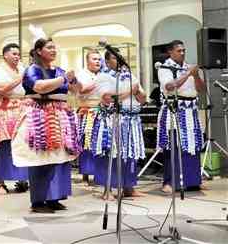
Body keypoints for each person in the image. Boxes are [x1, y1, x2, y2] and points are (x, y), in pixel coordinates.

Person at [11, 25, 81, 213]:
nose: (53, 50)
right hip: (39, 115)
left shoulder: (59, 70)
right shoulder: (31, 70)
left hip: (59, 114)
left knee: (58, 158)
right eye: (49, 47)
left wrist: (73, 81)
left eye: (54, 47)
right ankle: (38, 201)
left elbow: (76, 90)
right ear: (39, 51)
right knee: (40, 158)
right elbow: (39, 87)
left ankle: (53, 197)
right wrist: (63, 80)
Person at [93, 49, 146, 198]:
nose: (120, 60)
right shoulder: (103, 76)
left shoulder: (130, 75)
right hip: (112, 120)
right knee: (110, 154)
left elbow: (143, 98)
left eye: (121, 57)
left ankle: (129, 187)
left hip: (131, 120)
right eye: (116, 58)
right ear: (108, 62)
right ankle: (107, 190)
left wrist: (136, 92)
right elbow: (107, 98)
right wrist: (130, 91)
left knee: (130, 154)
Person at [157, 40, 206, 194]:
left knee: (192, 146)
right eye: (179, 51)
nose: (183, 53)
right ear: (170, 52)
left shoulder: (189, 67)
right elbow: (169, 87)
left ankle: (193, 181)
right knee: (173, 146)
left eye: (184, 50)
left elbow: (202, 89)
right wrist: (187, 74)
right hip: (174, 110)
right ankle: (170, 182)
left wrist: (196, 75)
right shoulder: (164, 67)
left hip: (191, 110)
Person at [0, 43, 28, 194]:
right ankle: (1, 183)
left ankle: (22, 179)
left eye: (19, 54)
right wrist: (21, 77)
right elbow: (2, 89)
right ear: (5, 55)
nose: (17, 57)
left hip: (22, 109)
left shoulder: (21, 68)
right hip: (5, 110)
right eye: (14, 54)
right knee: (4, 147)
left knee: (22, 146)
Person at [76, 50, 103, 185]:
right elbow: (82, 90)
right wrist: (99, 81)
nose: (98, 61)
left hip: (103, 111)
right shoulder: (81, 74)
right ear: (87, 61)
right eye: (94, 59)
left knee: (100, 143)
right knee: (86, 143)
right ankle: (85, 175)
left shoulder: (103, 74)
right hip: (88, 112)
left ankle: (100, 173)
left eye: (99, 59)